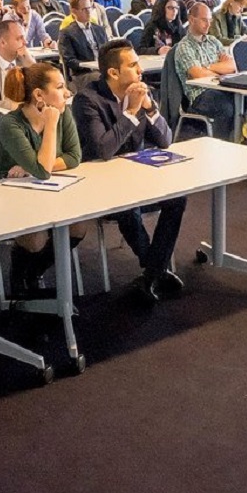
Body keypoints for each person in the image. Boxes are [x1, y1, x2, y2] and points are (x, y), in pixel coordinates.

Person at [74, 40, 186, 304]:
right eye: (133, 65)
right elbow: (103, 149)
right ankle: (156, 268)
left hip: (137, 174)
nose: (140, 70)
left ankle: (150, 274)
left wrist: (148, 107)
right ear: (113, 73)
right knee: (127, 206)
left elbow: (166, 140)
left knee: (177, 198)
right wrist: (133, 111)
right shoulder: (88, 100)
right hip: (101, 182)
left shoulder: (139, 92)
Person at [0, 63, 88, 296]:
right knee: (36, 237)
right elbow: (43, 171)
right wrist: (50, 126)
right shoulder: (11, 124)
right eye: (61, 87)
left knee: (78, 227)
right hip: (6, 193)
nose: (67, 93)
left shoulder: (64, 112)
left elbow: (74, 157)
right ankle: (19, 279)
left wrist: (31, 165)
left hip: (42, 188)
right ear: (38, 95)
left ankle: (33, 272)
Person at [173, 2, 247, 142]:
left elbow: (232, 65)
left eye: (210, 20)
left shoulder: (213, 41)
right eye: (204, 20)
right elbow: (198, 75)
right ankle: (226, 148)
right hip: (201, 95)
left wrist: (207, 67)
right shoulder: (184, 46)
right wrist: (219, 68)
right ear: (191, 20)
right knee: (227, 107)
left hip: (227, 88)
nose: (208, 24)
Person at [58, 0, 108, 88]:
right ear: (74, 11)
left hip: (102, 69)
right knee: (101, 78)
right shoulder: (67, 33)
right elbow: (69, 60)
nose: (88, 12)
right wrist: (87, 65)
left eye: (89, 8)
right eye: (84, 9)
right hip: (82, 74)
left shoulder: (99, 29)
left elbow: (108, 51)